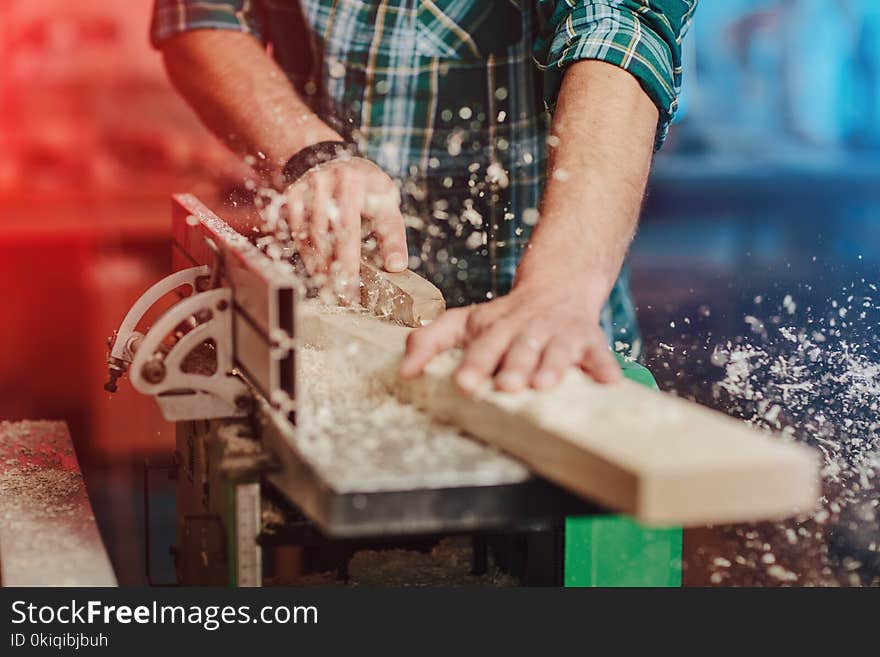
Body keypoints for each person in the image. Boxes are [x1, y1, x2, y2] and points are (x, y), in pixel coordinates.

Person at [151, 0, 697, 394]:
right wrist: (313, 155)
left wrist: (559, 288)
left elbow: (621, 33)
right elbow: (197, 18)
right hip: (323, 321)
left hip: (543, 323)